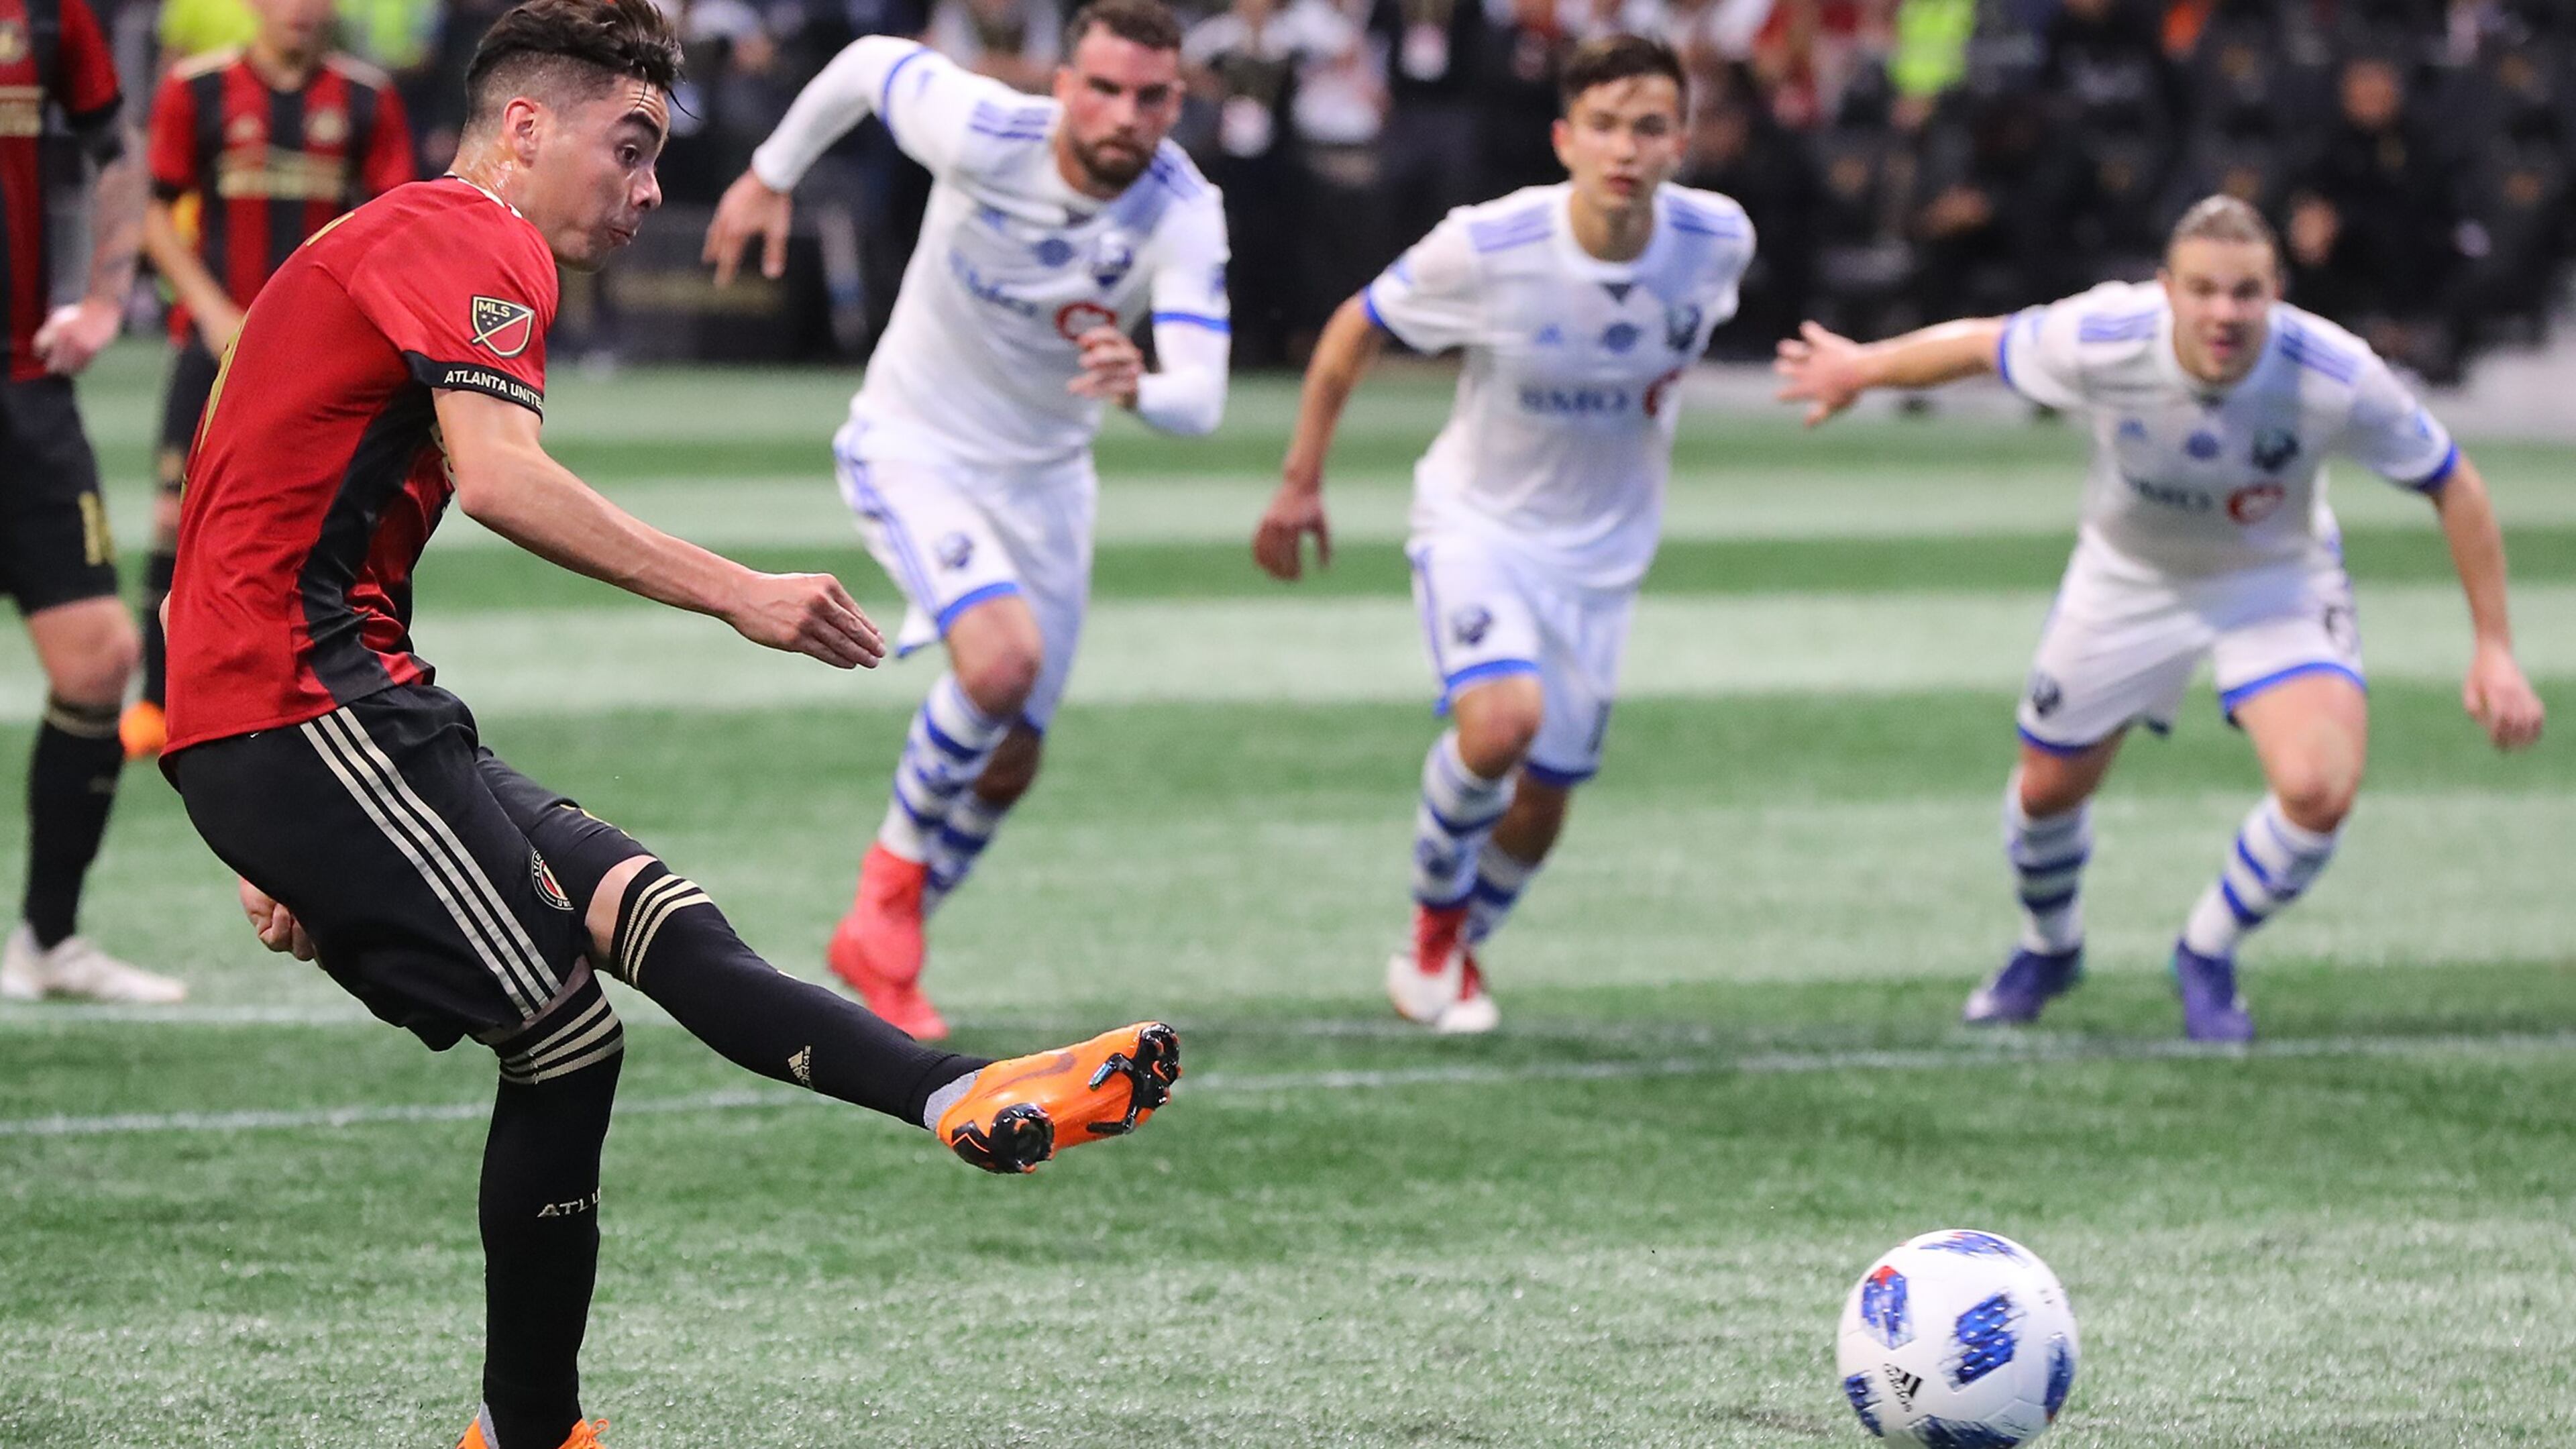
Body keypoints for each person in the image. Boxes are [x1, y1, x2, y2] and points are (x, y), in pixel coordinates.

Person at [156, 5, 1180, 1445]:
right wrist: (737, 593)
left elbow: (237, 493)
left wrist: (279, 822)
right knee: (565, 1040)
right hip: (302, 709)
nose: (647, 190)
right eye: (628, 150)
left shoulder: (388, 241)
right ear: (525, 127)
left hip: (328, 712)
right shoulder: (471, 236)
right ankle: (532, 1432)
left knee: (656, 915)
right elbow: (503, 483)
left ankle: (957, 1089)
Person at [1774, 195, 2545, 1042]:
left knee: (2320, 790)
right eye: (2204, 290)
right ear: (2166, 289)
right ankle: (2050, 945)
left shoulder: (2334, 371)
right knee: (2046, 791)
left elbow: (2453, 482)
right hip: (2127, 579)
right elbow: (1981, 344)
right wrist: (1860, 368)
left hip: (2275, 582)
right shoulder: (2106, 336)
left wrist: (2496, 650)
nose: (2225, 313)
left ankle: (2207, 952)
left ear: (2277, 291)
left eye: (2246, 293)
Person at [704, 0, 1231, 1040]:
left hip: (1048, 480)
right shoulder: (985, 129)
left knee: (1013, 754)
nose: (1128, 114)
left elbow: (1202, 401)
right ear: (1065, 85)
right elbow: (864, 63)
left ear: (1179, 98)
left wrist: (1139, 388)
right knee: (997, 665)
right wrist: (771, 171)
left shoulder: (1182, 209)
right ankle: (890, 886)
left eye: (1153, 96)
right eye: (1108, 88)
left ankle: (887, 939)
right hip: (915, 443)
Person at [1255, 34, 1754, 1032]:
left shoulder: (1718, 240)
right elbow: (1355, 326)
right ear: (1565, 138)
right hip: (1477, 525)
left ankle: (1460, 944)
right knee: (1500, 725)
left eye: (1649, 127)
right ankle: (1435, 930)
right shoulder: (1488, 245)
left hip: (1605, 560)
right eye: (1605, 126)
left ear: (1682, 142)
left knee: (1542, 808)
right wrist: (1301, 479)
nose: (1626, 147)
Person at [121, 0, 417, 761]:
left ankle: (297, 696)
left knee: (310, 525)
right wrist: (215, 310)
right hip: (213, 349)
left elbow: (392, 222)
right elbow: (153, 214)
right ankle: (158, 705)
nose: (301, 9)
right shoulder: (198, 89)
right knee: (173, 524)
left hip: (313, 363)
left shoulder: (364, 99)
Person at [0, 0, 180, 1004]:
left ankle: (49, 940)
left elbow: (116, 146)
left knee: (102, 658)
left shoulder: (47, 15)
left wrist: (109, 295)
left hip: (25, 395)